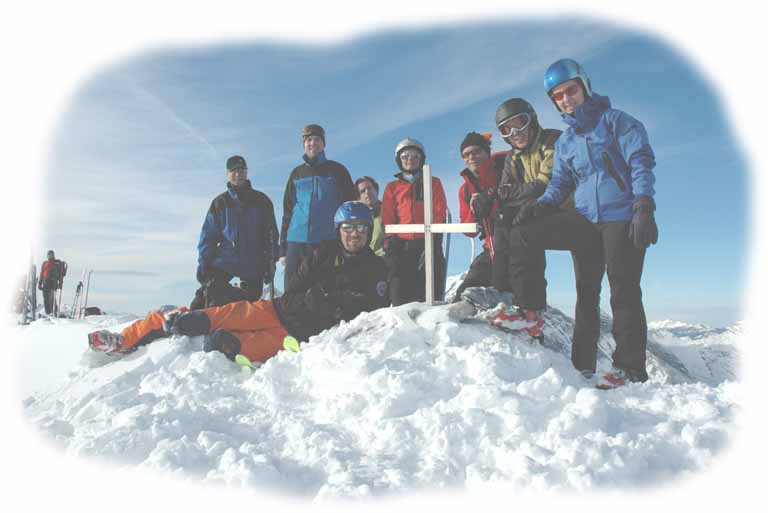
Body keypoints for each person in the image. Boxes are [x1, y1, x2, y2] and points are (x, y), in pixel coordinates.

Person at [88, 202, 389, 364]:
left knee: (237, 347)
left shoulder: (375, 268)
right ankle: (125, 340)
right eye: (348, 228)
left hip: (301, 333)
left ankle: (220, 345)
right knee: (204, 317)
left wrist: (333, 302)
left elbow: (370, 310)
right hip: (278, 309)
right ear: (339, 230)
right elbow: (296, 284)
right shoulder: (324, 252)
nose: (354, 234)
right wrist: (314, 285)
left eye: (361, 228)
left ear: (368, 231)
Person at [510, 58, 658, 388]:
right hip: (585, 220)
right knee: (581, 290)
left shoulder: (617, 122)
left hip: (622, 217)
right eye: (558, 96)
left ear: (584, 85)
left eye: (570, 90)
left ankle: (629, 368)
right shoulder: (566, 142)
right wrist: (541, 206)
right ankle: (537, 318)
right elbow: (560, 183)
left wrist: (644, 206)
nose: (566, 99)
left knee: (623, 291)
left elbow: (640, 161)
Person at [486, 99, 566, 338]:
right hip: (533, 205)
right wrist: (496, 196)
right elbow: (505, 190)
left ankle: (531, 310)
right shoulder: (513, 157)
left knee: (524, 232)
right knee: (503, 221)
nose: (515, 133)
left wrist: (516, 192)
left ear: (532, 119)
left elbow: (546, 181)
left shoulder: (551, 141)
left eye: (519, 124)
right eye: (506, 129)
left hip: (561, 205)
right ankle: (503, 295)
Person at [192, 155, 279, 309]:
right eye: (234, 171)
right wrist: (203, 264)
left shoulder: (262, 201)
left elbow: (271, 235)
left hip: (253, 263)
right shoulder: (220, 203)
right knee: (211, 291)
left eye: (241, 170)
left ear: (246, 172)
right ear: (228, 174)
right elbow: (208, 237)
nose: (238, 174)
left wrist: (270, 263)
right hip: (226, 261)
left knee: (251, 304)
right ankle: (195, 313)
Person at [279, 124, 356, 290]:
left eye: (317, 139)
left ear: (323, 144)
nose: (312, 143)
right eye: (308, 140)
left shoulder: (337, 171)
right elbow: (288, 211)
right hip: (296, 241)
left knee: (322, 291)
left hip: (327, 240)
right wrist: (283, 248)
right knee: (292, 290)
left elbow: (349, 207)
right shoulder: (296, 173)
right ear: (304, 144)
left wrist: (346, 240)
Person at [381, 138, 448, 305]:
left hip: (427, 241)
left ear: (421, 159)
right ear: (399, 160)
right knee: (400, 286)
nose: (410, 159)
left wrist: (435, 237)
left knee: (430, 284)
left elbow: (439, 210)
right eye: (405, 156)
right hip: (401, 244)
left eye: (414, 156)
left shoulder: (433, 183)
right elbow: (387, 215)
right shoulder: (392, 187)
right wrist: (390, 240)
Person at [451, 132, 506, 302]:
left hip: (516, 246)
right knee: (461, 298)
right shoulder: (465, 189)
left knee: (510, 302)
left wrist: (491, 197)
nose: (471, 157)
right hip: (489, 249)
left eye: (476, 152)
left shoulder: (505, 168)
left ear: (486, 152)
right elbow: (469, 232)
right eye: (466, 155)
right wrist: (474, 210)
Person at [355, 176, 385, 256]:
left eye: (369, 188)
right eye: (362, 191)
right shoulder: (355, 219)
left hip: (386, 259)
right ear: (358, 198)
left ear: (376, 191)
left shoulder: (389, 211)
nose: (367, 192)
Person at [38, 250, 66, 315]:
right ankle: (47, 312)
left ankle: (54, 311)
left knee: (52, 298)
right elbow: (42, 273)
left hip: (53, 283)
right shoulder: (44, 263)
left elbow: (61, 274)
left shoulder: (57, 263)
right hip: (45, 283)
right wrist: (40, 283)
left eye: (51, 255)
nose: (50, 256)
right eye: (49, 255)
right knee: (45, 298)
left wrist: (60, 283)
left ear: (53, 255)